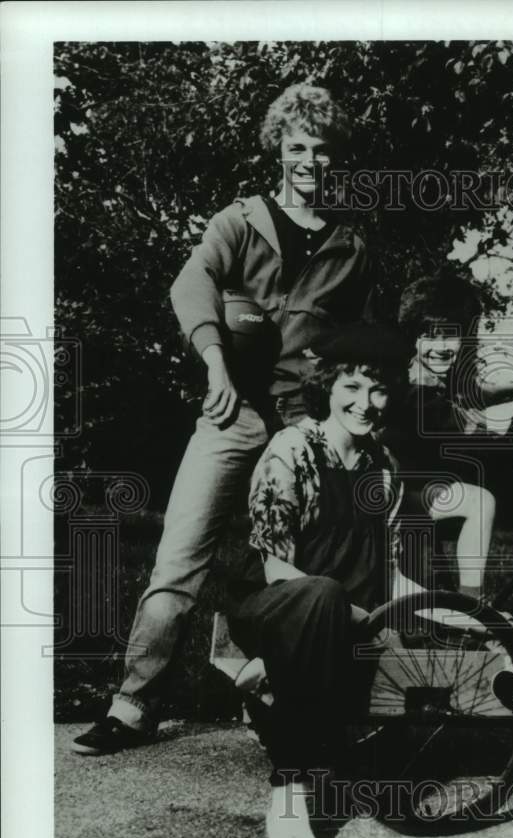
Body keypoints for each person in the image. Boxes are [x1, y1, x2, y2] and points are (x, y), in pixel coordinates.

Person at [72, 83, 373, 755]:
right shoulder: (240, 220)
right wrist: (214, 364)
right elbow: (192, 283)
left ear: (336, 160)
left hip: (303, 427)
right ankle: (133, 706)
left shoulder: (351, 248)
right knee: (179, 560)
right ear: (277, 150)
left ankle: (287, 698)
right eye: (297, 146)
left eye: (322, 150)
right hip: (231, 415)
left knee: (306, 569)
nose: (310, 161)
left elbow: (353, 347)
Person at [225, 324, 411, 838]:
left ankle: (271, 677)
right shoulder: (294, 448)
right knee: (322, 595)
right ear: (328, 388)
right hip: (276, 603)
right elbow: (273, 564)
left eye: (377, 390)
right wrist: (348, 613)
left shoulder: (383, 468)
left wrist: (459, 613)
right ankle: (289, 793)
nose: (365, 403)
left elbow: (393, 567)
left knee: (342, 605)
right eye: (351, 388)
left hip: (347, 614)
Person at [384, 274, 497, 600]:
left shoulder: (439, 381)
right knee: (480, 502)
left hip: (412, 488)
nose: (442, 347)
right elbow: (460, 420)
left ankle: (465, 601)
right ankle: (471, 603)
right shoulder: (408, 384)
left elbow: (482, 395)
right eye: (429, 337)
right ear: (411, 337)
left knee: (476, 500)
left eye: (452, 336)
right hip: (386, 494)